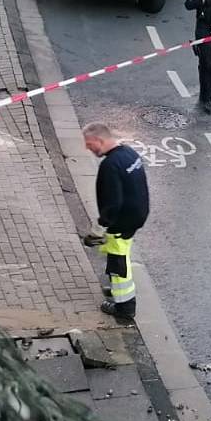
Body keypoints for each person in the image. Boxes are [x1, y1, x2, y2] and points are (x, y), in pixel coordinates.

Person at [81, 122, 149, 321]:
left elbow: (113, 202)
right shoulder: (128, 154)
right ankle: (116, 290)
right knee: (119, 252)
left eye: (89, 144)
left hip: (122, 221)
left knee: (118, 262)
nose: (87, 148)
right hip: (136, 215)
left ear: (100, 141)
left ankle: (125, 306)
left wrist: (99, 228)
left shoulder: (110, 165)